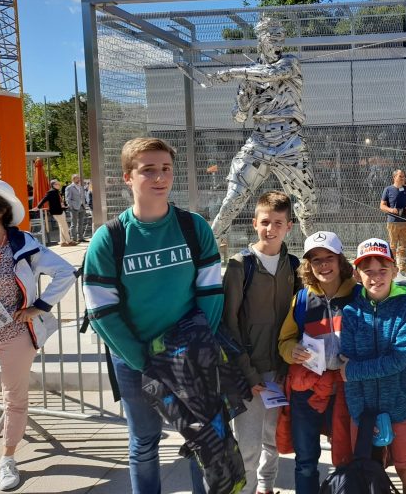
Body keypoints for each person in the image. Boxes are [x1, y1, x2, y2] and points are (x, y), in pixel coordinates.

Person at [83, 137, 224, 494]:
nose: (160, 177)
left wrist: (194, 346)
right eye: (148, 170)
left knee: (200, 440)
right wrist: (145, 359)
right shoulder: (109, 238)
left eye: (165, 169)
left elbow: (209, 292)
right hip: (136, 361)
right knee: (144, 443)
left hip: (189, 358)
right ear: (128, 177)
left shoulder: (194, 227)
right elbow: (102, 311)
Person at [200, 16, 316, 241]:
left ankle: (317, 254)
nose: (278, 42)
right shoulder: (250, 75)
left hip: (289, 141)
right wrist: (244, 100)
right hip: (260, 140)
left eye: (280, 36)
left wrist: (231, 73)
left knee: (307, 204)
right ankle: (206, 248)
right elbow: (239, 116)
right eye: (272, 36)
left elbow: (271, 74)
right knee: (233, 198)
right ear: (261, 40)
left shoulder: (290, 62)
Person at [0, 180, 76, 491]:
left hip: (15, 332)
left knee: (15, 397)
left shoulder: (23, 245)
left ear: (1, 210)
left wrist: (39, 307)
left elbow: (65, 272)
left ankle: (7, 459)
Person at [222, 190, 302, 494]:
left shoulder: (293, 266)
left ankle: (266, 486)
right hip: (250, 372)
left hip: (281, 368)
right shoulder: (240, 265)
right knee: (248, 443)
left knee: (273, 436)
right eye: (265, 222)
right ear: (255, 223)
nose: (271, 229)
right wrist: (248, 372)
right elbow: (229, 324)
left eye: (278, 223)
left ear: (289, 226)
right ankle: (245, 488)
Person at [340, 238, 406, 494]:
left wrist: (353, 371)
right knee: (368, 472)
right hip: (362, 411)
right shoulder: (352, 312)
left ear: (395, 271)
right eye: (368, 271)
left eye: (383, 270)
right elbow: (347, 358)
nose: (376, 277)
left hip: (400, 407)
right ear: (357, 275)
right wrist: (356, 408)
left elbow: (397, 360)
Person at [278, 231, 355, 493]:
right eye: (316, 260)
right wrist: (292, 351)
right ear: (308, 265)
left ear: (340, 260)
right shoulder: (301, 299)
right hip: (308, 390)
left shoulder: (358, 295)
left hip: (345, 389)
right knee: (306, 462)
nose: (323, 265)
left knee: (346, 459)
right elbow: (285, 340)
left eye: (329, 258)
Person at [380, 169, 406, 275]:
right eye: (400, 176)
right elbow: (382, 205)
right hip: (393, 222)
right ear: (394, 177)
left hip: (405, 221)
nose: (403, 178)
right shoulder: (388, 189)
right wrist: (391, 210)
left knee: (403, 246)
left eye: (403, 176)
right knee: (393, 246)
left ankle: (402, 268)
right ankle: (392, 267)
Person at [34, 179, 75, 246]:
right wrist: (38, 207)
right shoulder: (51, 192)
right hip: (57, 212)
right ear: (53, 185)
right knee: (65, 227)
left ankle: (63, 242)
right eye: (57, 184)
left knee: (62, 226)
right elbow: (44, 200)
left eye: (59, 184)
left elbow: (59, 201)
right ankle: (69, 241)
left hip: (60, 210)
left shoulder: (56, 191)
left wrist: (63, 205)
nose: (59, 185)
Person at [64, 173, 87, 243]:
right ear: (73, 179)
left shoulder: (80, 187)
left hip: (82, 207)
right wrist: (71, 206)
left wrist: (84, 204)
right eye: (77, 178)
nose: (79, 179)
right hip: (74, 207)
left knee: (81, 223)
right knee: (74, 223)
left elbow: (82, 197)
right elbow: (67, 199)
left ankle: (81, 238)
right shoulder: (69, 187)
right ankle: (74, 239)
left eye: (79, 178)